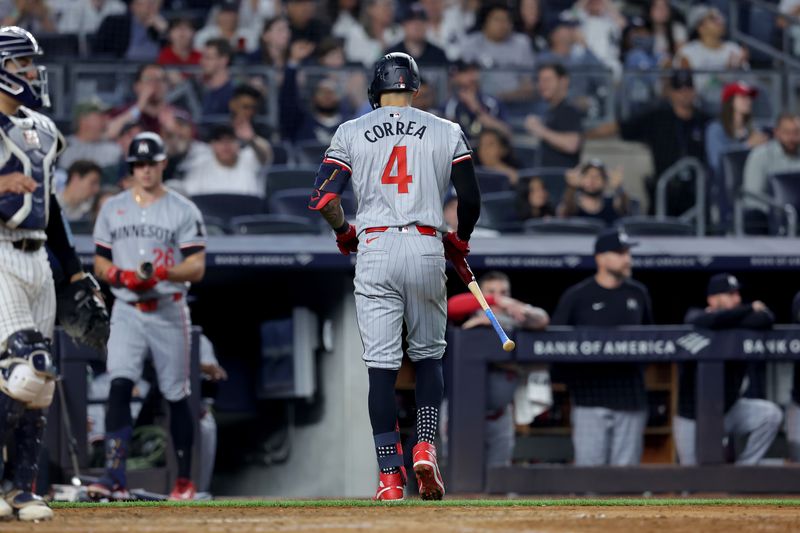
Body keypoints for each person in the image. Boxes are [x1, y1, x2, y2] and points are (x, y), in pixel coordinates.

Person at [308, 52, 481, 500]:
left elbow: (324, 198)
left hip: (375, 246)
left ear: (376, 89)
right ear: (414, 88)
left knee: (381, 369)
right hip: (426, 243)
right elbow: (471, 197)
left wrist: (345, 232)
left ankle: (389, 474)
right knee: (427, 357)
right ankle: (424, 445)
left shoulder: (349, 131)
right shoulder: (447, 130)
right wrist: (459, 239)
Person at [0, 26, 105, 521]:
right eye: (22, 64)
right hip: (0, 253)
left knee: (40, 382)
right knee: (24, 370)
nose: (31, 73)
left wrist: (74, 273)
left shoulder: (42, 128)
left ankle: (19, 490)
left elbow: (54, 209)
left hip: (40, 257)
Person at [88, 131, 207, 501]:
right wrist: (115, 275)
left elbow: (197, 266)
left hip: (168, 306)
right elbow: (100, 259)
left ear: (162, 164)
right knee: (119, 385)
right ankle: (114, 477)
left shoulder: (183, 209)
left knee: (176, 394)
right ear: (131, 168)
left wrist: (164, 273)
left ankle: (184, 482)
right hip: (126, 307)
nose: (144, 170)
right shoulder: (112, 208)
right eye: (138, 164)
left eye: (150, 163)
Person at [551, 229, 653, 466]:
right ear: (600, 258)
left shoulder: (638, 293)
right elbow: (554, 343)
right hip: (589, 398)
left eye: (627, 252)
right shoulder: (578, 295)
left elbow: (652, 340)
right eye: (619, 253)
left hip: (631, 396)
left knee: (626, 480)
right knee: (589, 477)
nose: (627, 258)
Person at [674, 273, 782, 466]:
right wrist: (749, 309)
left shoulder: (738, 318)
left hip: (729, 410)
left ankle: (744, 471)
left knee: (770, 414)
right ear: (712, 299)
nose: (737, 298)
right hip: (692, 416)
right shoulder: (695, 315)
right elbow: (705, 321)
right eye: (730, 294)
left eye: (737, 294)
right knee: (690, 479)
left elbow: (766, 318)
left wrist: (731, 319)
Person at [447, 271, 549, 467]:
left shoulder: (513, 319)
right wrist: (492, 303)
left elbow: (542, 319)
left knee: (498, 473)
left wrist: (518, 308)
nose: (499, 297)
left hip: (500, 414)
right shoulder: (468, 315)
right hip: (461, 412)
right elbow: (452, 306)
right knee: (461, 471)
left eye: (503, 292)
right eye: (491, 292)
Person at [588, 69, 711, 215]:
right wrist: (584, 136)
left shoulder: (704, 121)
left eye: (688, 88)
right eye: (679, 88)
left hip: (697, 192)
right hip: (666, 191)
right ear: (670, 92)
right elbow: (620, 127)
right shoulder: (657, 117)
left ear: (694, 91)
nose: (684, 93)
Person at [180, 124, 269, 197]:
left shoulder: (249, 158)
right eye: (220, 140)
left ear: (238, 144)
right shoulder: (200, 162)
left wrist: (252, 139)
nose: (226, 145)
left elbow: (265, 154)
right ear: (212, 144)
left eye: (231, 140)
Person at [524, 63, 583, 169]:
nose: (542, 85)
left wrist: (540, 130)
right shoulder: (550, 111)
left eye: (547, 80)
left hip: (561, 180)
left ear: (563, 81)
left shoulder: (568, 110)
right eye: (540, 80)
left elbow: (572, 144)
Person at [705, 81, 768, 180]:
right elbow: (717, 161)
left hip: (750, 179)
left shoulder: (753, 128)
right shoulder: (716, 129)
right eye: (743, 97)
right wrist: (747, 145)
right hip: (724, 183)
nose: (748, 101)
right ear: (730, 101)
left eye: (749, 97)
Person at [742, 113, 800, 218]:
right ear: (776, 133)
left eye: (796, 133)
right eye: (787, 132)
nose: (792, 138)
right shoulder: (760, 156)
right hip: (768, 218)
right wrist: (778, 213)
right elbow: (752, 197)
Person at [442, 60, 510, 139]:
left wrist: (477, 109)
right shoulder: (449, 106)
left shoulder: (492, 103)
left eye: (475, 71)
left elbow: (507, 133)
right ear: (456, 76)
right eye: (466, 72)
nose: (473, 77)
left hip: (487, 149)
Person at [558, 159, 630, 226]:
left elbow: (624, 207)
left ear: (605, 182)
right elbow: (564, 213)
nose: (592, 180)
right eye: (587, 176)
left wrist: (619, 188)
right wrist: (571, 188)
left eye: (597, 176)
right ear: (581, 179)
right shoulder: (573, 203)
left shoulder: (612, 203)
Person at [91, 0, 168, 61]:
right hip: (122, 70)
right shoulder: (114, 23)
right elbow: (98, 51)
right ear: (133, 7)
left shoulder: (164, 26)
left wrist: (165, 32)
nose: (150, 8)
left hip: (156, 69)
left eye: (153, 4)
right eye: (145, 4)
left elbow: (172, 53)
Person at [58, 99, 122, 171]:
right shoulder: (62, 147)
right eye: (101, 116)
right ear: (83, 120)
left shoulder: (114, 148)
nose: (107, 119)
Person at [198, 38, 236, 118]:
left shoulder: (234, 93)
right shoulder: (202, 90)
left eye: (208, 58)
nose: (202, 61)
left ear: (223, 60)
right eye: (203, 57)